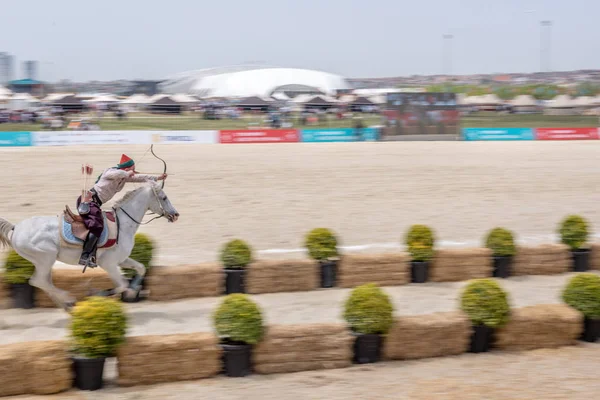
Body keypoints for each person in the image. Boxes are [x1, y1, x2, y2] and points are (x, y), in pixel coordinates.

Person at [77, 154, 167, 268]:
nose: (134, 171)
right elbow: (116, 173)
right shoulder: (110, 172)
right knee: (97, 225)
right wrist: (127, 173)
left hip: (96, 204)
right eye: (132, 169)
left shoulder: (123, 177)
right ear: (126, 168)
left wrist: (158, 178)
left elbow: (141, 178)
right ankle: (85, 256)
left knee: (104, 226)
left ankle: (94, 254)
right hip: (87, 201)